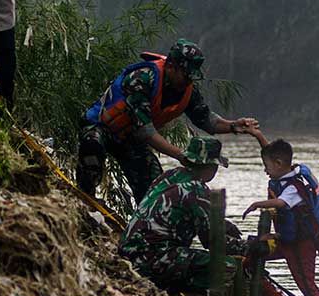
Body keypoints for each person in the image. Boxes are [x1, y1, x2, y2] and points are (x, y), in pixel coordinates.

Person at [119, 136, 319, 296]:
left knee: (210, 262)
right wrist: (252, 247)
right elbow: (214, 243)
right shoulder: (196, 190)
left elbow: (190, 214)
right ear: (210, 167)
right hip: (151, 257)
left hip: (129, 251)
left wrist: (224, 224)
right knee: (229, 267)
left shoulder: (171, 176)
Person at [78, 38, 257, 205]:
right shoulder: (142, 78)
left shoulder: (187, 89)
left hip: (130, 140)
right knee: (92, 143)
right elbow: (145, 131)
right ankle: (86, 198)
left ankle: (144, 223)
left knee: (154, 186)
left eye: (191, 77)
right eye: (186, 75)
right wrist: (181, 155)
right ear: (171, 66)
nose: (188, 81)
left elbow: (206, 119)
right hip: (102, 129)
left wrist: (233, 126)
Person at [241, 129, 319, 296]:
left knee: (306, 283)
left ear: (278, 164)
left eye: (266, 166)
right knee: (252, 255)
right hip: (284, 240)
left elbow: (281, 202)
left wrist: (256, 204)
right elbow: (271, 153)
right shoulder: (288, 171)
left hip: (301, 244)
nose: (265, 171)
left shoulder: (294, 187)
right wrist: (257, 136)